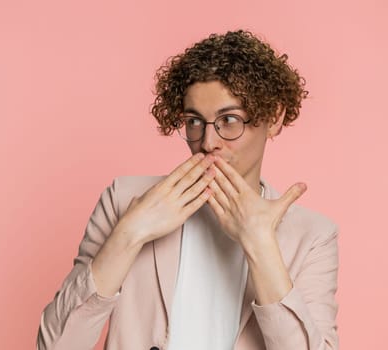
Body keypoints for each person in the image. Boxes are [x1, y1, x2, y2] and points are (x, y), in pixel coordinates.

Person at [37, 30, 339, 350]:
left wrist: (261, 244)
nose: (207, 143)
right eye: (195, 122)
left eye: (229, 119)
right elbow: (56, 345)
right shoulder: (124, 200)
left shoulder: (313, 236)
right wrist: (130, 233)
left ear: (274, 117)